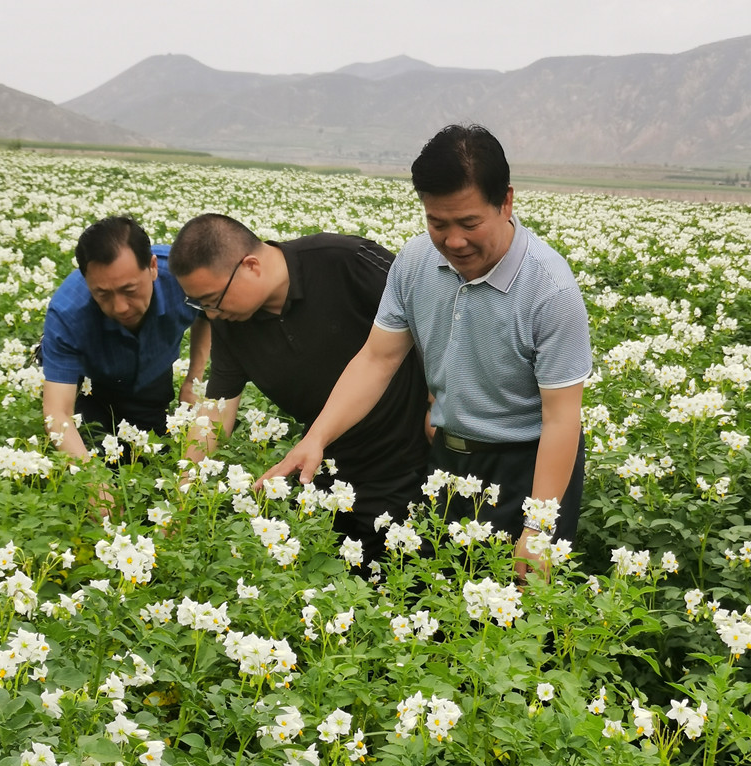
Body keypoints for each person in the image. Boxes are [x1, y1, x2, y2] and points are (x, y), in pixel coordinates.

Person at [261, 124, 592, 580]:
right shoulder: (415, 263)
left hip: (529, 468)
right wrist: (316, 438)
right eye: (438, 223)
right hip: (447, 461)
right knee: (442, 601)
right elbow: (377, 359)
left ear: (506, 201)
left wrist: (537, 527)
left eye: (469, 223)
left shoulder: (549, 289)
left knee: (520, 614)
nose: (454, 241)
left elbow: (561, 418)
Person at [167, 214, 430, 565]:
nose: (211, 314)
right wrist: (186, 487)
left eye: (213, 299)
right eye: (201, 305)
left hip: (419, 463)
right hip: (331, 472)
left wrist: (439, 401)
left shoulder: (346, 260)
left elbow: (435, 314)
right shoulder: (234, 326)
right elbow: (217, 407)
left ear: (251, 266)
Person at [41, 216, 211, 460]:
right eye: (102, 294)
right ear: (86, 280)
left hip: (151, 376)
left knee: (151, 457)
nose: (120, 307)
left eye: (129, 290)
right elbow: (58, 411)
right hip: (89, 386)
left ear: (152, 267)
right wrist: (92, 482)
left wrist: (193, 379)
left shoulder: (185, 275)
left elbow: (208, 313)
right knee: (97, 458)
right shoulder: (68, 311)